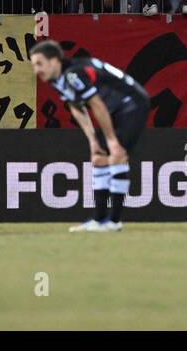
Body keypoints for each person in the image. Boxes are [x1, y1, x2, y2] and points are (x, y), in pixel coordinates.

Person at [30, 40, 152, 232]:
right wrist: (92, 140)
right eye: (33, 65)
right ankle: (99, 220)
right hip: (117, 109)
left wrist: (111, 141)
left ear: (54, 61)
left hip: (133, 104)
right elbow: (75, 106)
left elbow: (97, 105)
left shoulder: (73, 74)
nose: (36, 70)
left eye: (39, 63)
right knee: (98, 158)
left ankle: (113, 222)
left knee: (117, 156)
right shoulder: (57, 78)